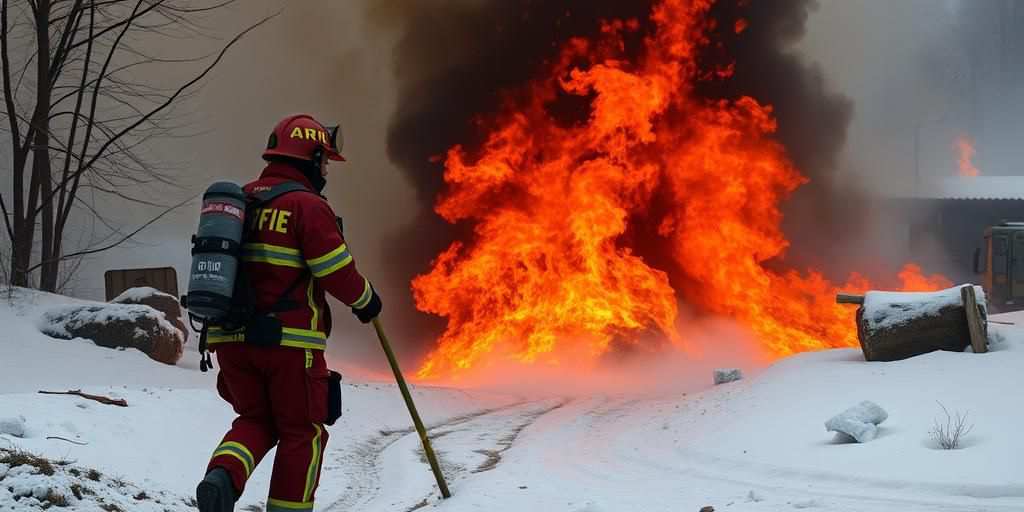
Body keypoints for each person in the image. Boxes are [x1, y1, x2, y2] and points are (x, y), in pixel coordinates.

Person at [195, 114, 382, 512]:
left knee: (256, 420)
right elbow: (336, 271)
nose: (327, 169)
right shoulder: (307, 206)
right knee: (303, 433)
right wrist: (367, 300)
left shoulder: (239, 201)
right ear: (311, 158)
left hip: (231, 342)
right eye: (325, 160)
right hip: (289, 346)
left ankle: (222, 477)